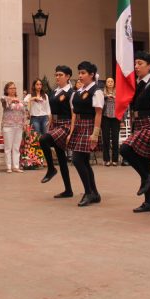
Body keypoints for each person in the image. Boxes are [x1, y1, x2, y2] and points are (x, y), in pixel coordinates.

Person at [120, 52, 150, 213]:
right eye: (135, 63)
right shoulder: (137, 84)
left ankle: (147, 178)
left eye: (140, 63)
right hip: (138, 123)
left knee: (125, 149)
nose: (136, 66)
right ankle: (148, 202)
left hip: (149, 123)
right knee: (144, 162)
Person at [66, 61, 104, 207]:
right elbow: (74, 113)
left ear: (92, 75)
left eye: (83, 73)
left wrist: (95, 134)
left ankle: (89, 192)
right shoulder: (79, 91)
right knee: (84, 162)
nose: (80, 76)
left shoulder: (96, 91)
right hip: (79, 126)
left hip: (89, 126)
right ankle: (94, 193)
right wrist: (71, 131)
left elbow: (98, 113)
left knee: (77, 160)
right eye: (79, 73)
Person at [39, 65, 75, 198]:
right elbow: (51, 112)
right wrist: (51, 125)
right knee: (61, 158)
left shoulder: (71, 92)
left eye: (60, 75)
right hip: (55, 124)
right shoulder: (54, 92)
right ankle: (68, 190)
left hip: (65, 125)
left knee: (43, 139)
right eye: (56, 75)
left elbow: (73, 114)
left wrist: (71, 131)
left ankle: (51, 169)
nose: (57, 77)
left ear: (68, 77)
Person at [1, 82, 25, 173]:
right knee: (8, 147)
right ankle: (8, 167)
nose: (13, 90)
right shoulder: (4, 98)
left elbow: (23, 112)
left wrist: (24, 123)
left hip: (18, 126)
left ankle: (16, 166)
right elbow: (6, 105)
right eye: (11, 88)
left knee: (16, 147)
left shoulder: (20, 99)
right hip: (8, 125)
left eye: (14, 88)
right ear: (7, 90)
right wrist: (12, 100)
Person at [101, 77, 120, 166]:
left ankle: (115, 159)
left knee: (115, 139)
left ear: (114, 83)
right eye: (108, 81)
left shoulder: (118, 93)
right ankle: (106, 159)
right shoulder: (102, 93)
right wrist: (105, 97)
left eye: (111, 81)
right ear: (106, 83)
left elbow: (122, 106)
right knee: (106, 139)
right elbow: (99, 105)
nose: (110, 83)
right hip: (105, 117)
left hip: (116, 118)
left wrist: (115, 98)